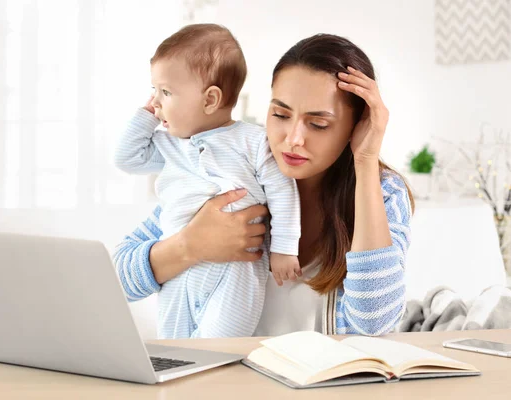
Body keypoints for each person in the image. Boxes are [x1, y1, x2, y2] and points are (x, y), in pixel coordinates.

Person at [114, 32, 414, 338]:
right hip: (233, 382)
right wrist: (190, 246)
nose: (293, 139)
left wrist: (365, 160)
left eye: (318, 124)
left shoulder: (385, 193)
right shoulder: (235, 173)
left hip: (325, 385)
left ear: (356, 125)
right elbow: (117, 281)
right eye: (280, 114)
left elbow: (374, 322)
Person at [113, 23, 301, 339]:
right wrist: (147, 114)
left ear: (210, 99)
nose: (156, 101)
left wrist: (284, 248)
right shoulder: (170, 144)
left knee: (219, 345)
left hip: (236, 269)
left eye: (166, 92)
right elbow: (126, 158)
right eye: (153, 91)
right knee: (174, 348)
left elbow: (283, 190)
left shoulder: (252, 141)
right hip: (178, 274)